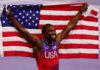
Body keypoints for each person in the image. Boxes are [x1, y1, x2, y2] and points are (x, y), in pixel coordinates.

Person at [5, 3, 88, 70]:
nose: (54, 32)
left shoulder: (57, 41)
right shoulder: (39, 43)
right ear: (44, 33)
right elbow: (23, 31)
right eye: (50, 31)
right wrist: (10, 16)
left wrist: (80, 12)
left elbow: (69, 26)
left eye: (54, 30)